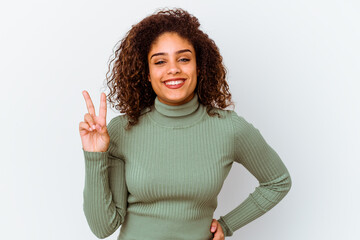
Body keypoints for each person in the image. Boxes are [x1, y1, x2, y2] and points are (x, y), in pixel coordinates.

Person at [79, 8, 292, 240]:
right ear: (147, 74)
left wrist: (227, 225)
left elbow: (277, 182)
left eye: (183, 59)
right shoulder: (122, 130)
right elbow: (103, 228)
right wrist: (94, 155)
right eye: (160, 61)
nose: (173, 69)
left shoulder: (229, 129)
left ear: (199, 67)